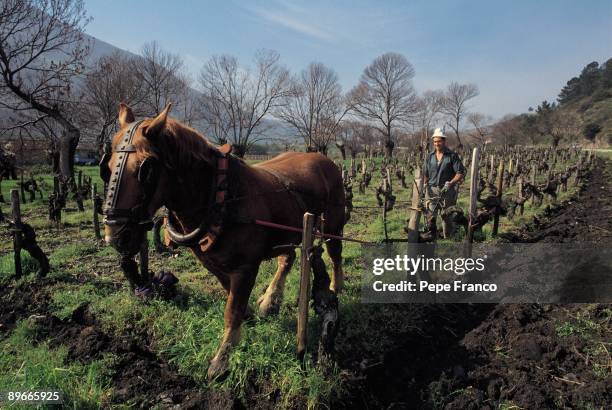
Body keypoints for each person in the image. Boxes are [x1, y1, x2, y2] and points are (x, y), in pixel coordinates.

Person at [422, 128, 465, 239]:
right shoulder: (430, 157)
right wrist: (424, 184)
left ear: (444, 141)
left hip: (447, 190)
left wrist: (451, 183)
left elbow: (460, 172)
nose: (437, 144)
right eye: (435, 141)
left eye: (439, 141)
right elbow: (425, 174)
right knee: (430, 216)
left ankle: (448, 238)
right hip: (432, 190)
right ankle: (432, 236)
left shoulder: (452, 156)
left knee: (446, 216)